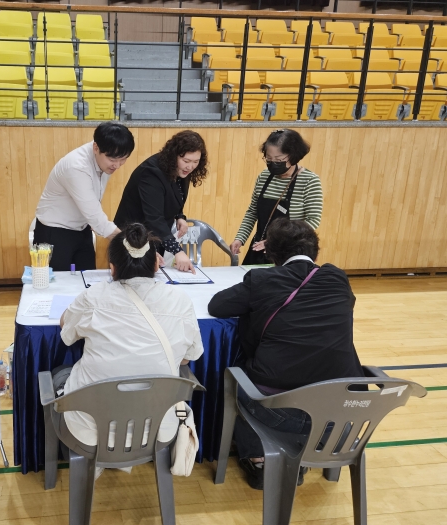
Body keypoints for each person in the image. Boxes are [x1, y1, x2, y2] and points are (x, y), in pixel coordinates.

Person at [208, 219, 364, 490]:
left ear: (271, 254)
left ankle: (259, 460)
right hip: (340, 411)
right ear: (315, 250)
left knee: (239, 376)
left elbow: (217, 305)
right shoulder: (338, 277)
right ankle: (307, 455)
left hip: (279, 408)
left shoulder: (262, 279)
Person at [55, 223, 204, 473]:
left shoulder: (94, 297)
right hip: (158, 428)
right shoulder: (181, 301)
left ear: (112, 269)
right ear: (156, 265)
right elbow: (188, 359)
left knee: (60, 375)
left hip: (90, 429)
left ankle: (89, 464)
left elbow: (66, 332)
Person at [34, 122, 135, 271]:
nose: (118, 165)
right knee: (55, 286)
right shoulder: (76, 167)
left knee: (86, 281)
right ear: (96, 148)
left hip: (82, 229)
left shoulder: (104, 155)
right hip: (54, 232)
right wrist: (134, 246)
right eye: (113, 160)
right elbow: (95, 216)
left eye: (123, 159)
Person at [114, 130, 208, 273]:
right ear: (174, 156)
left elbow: (174, 194)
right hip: (133, 236)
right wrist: (178, 251)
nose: (190, 167)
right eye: (186, 161)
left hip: (155, 235)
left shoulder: (181, 169)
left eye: (196, 162)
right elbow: (154, 217)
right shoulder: (151, 173)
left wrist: (179, 216)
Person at [230, 129, 323, 266]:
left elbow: (313, 220)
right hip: (259, 247)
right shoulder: (264, 177)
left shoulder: (309, 181)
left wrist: (274, 242)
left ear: (293, 156)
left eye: (279, 160)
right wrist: (240, 238)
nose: (273, 163)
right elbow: (252, 212)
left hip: (291, 253)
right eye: (268, 159)